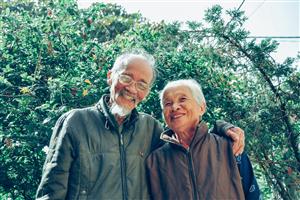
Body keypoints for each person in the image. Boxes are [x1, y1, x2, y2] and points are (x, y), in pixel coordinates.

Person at [36, 50, 246, 200]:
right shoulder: (75, 122)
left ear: (146, 92)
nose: (132, 89)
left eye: (142, 84)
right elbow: (51, 190)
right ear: (111, 77)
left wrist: (223, 128)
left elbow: (189, 137)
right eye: (126, 77)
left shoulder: (151, 129)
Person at [146, 79, 260, 200]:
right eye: (167, 103)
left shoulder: (230, 147)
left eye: (183, 99)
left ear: (202, 107)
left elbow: (253, 194)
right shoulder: (155, 161)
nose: (174, 107)